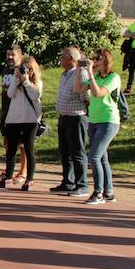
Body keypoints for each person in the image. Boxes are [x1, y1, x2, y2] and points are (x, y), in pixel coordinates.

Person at [74, 48, 120, 204]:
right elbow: (77, 89)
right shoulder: (96, 77)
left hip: (108, 121)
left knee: (94, 156)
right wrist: (80, 71)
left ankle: (98, 192)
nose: (94, 61)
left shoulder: (113, 77)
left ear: (106, 61)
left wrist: (91, 74)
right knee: (102, 157)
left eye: (97, 59)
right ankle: (108, 191)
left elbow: (98, 93)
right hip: (93, 120)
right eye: (93, 58)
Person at [0, 56, 42, 190]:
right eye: (23, 68)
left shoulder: (36, 82)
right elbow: (10, 94)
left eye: (27, 68)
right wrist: (16, 80)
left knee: (29, 149)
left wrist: (26, 81)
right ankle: (8, 177)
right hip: (14, 119)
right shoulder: (15, 80)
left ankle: (29, 179)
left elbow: (35, 95)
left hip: (30, 119)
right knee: (11, 149)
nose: (24, 71)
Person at [53, 47, 90, 197]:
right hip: (64, 117)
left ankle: (82, 184)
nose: (60, 59)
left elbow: (87, 96)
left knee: (77, 152)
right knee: (65, 151)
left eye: (63, 57)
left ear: (72, 60)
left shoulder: (80, 73)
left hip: (76, 117)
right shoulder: (65, 74)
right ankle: (68, 181)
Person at [0, 45, 28, 184]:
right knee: (7, 142)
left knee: (22, 144)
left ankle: (23, 171)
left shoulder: (23, 70)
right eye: (8, 54)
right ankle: (9, 169)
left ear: (19, 56)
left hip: (20, 112)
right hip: (6, 111)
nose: (9, 57)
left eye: (12, 55)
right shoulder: (6, 70)